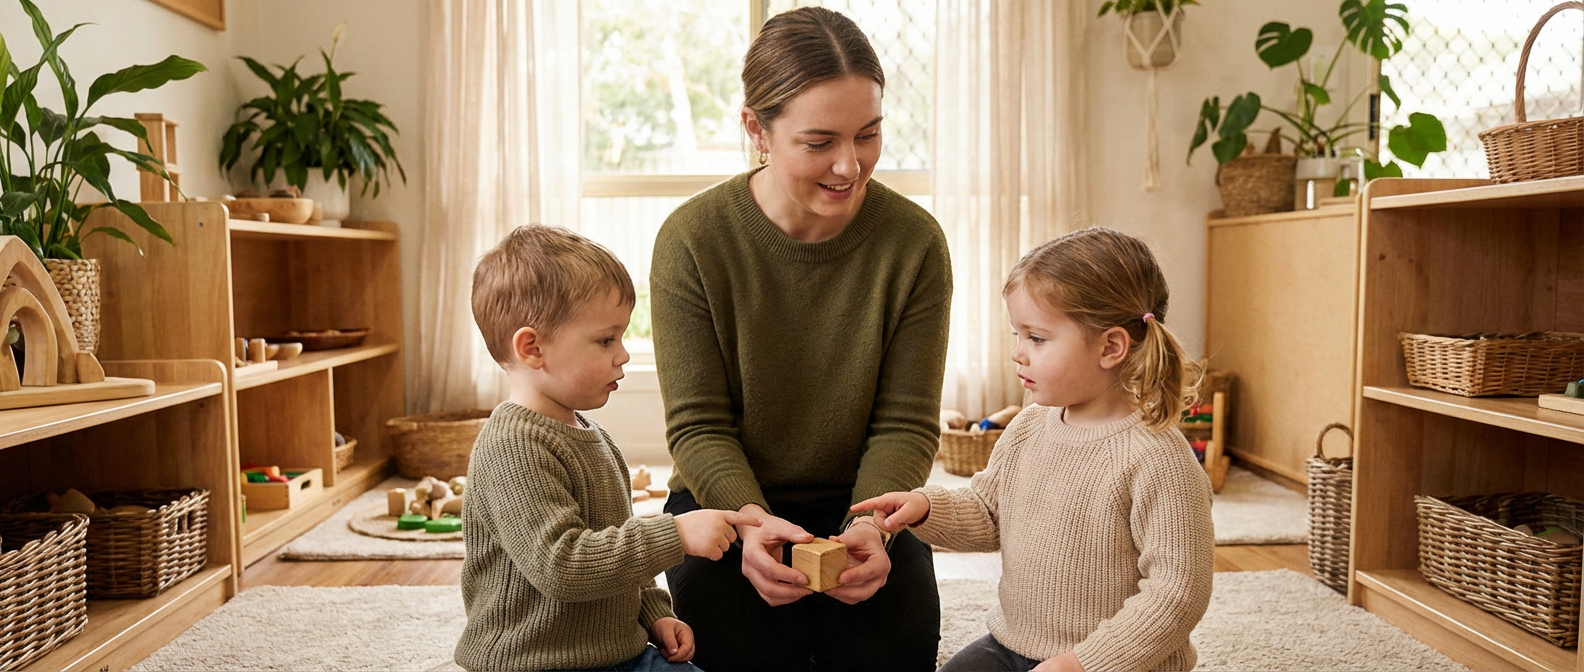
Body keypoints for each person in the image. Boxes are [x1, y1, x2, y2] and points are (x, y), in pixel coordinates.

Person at [649, 6, 951, 671]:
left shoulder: (915, 244)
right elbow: (698, 427)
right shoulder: (692, 241)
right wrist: (752, 521)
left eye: (868, 134)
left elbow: (905, 424)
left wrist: (870, 527)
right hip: (728, 502)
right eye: (820, 142)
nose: (851, 165)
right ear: (757, 130)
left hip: (866, 498)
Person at [855, 227, 1216, 672]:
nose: (1018, 354)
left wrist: (1083, 663)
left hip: (1114, 664)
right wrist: (926, 507)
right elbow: (989, 512)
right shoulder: (1029, 426)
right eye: (1017, 335)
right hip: (1013, 645)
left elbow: (1178, 592)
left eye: (1037, 338)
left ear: (1111, 347)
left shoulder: (1158, 459)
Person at [455, 224, 759, 672]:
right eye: (605, 340)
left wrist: (655, 613)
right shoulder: (511, 448)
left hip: (618, 652)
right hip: (535, 663)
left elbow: (619, 546)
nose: (623, 355)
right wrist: (673, 533)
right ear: (532, 347)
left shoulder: (593, 437)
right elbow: (562, 564)